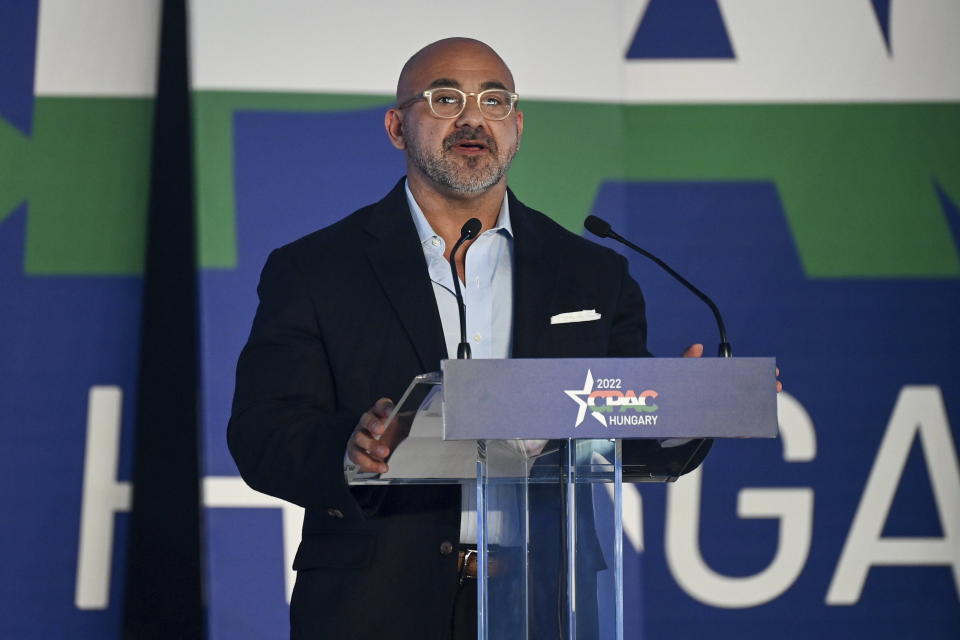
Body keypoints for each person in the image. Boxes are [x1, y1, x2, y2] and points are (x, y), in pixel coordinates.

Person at [228, 37, 768, 640]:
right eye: (444, 98)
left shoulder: (592, 272)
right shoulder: (316, 269)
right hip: (374, 604)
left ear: (516, 126)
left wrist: (681, 407)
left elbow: (620, 420)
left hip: (546, 601)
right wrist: (350, 447)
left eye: (493, 100)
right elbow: (263, 432)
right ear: (396, 127)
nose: (471, 117)